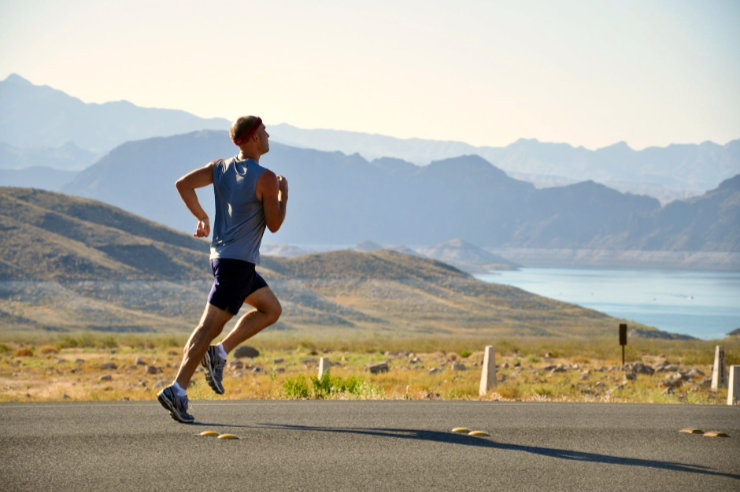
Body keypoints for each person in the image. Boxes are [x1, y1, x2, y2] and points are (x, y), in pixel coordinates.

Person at [157, 116, 288, 423]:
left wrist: (202, 217)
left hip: (224, 259)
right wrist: (284, 194)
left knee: (271, 309)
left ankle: (219, 353)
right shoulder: (266, 178)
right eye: (265, 132)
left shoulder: (220, 167)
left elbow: (183, 184)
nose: (269, 136)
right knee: (207, 328)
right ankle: (177, 389)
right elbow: (275, 224)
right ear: (254, 137)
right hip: (237, 265)